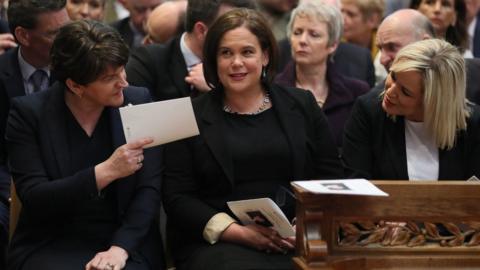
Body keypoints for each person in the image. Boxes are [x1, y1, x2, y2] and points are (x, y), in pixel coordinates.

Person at [162, 8, 343, 270]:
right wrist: (238, 232)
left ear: (265, 56)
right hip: (220, 242)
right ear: (213, 60)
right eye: (226, 53)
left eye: (247, 52)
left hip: (295, 236)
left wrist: (307, 223)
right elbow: (177, 197)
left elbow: (331, 177)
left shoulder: (301, 104)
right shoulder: (187, 115)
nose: (236, 63)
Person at [5, 20, 164, 270]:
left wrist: (120, 249)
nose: (123, 82)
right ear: (75, 85)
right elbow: (35, 196)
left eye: (122, 70)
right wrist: (105, 172)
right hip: (53, 239)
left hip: (125, 238)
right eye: (109, 78)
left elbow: (149, 189)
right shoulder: (29, 114)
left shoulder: (139, 100)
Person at [343, 39, 480, 180]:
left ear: (433, 102)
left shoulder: (473, 124)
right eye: (393, 77)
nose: (390, 92)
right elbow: (356, 182)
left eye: (406, 92)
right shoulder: (368, 112)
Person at [0, 1, 69, 268]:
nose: (67, 41)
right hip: (9, 187)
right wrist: (12, 192)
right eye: (54, 34)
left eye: (68, 28)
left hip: (70, 182)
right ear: (23, 35)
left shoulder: (79, 74)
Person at [275, 1, 369, 147]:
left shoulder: (356, 92)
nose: (302, 41)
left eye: (314, 34)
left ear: (332, 45)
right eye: (297, 32)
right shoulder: (272, 90)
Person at [126, 0, 255, 101]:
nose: (241, 35)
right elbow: (138, 124)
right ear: (201, 30)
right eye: (230, 27)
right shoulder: (149, 62)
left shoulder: (253, 62)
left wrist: (217, 91)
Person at [374, 9, 480, 104]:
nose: (382, 60)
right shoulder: (373, 105)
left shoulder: (476, 77)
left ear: (425, 42)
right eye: (380, 49)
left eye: (392, 47)